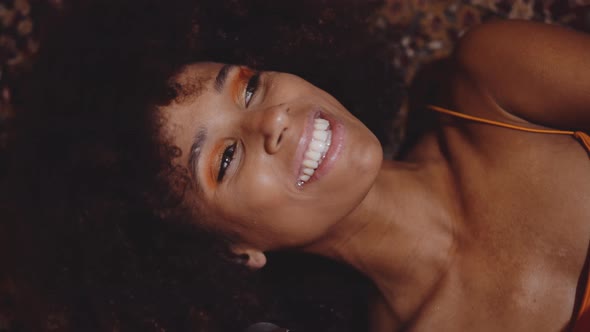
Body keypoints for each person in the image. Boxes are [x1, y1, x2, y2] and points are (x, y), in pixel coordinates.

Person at [1, 1, 589, 332]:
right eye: (225, 159)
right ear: (233, 254)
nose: (272, 120)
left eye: (249, 88)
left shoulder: (496, 83)